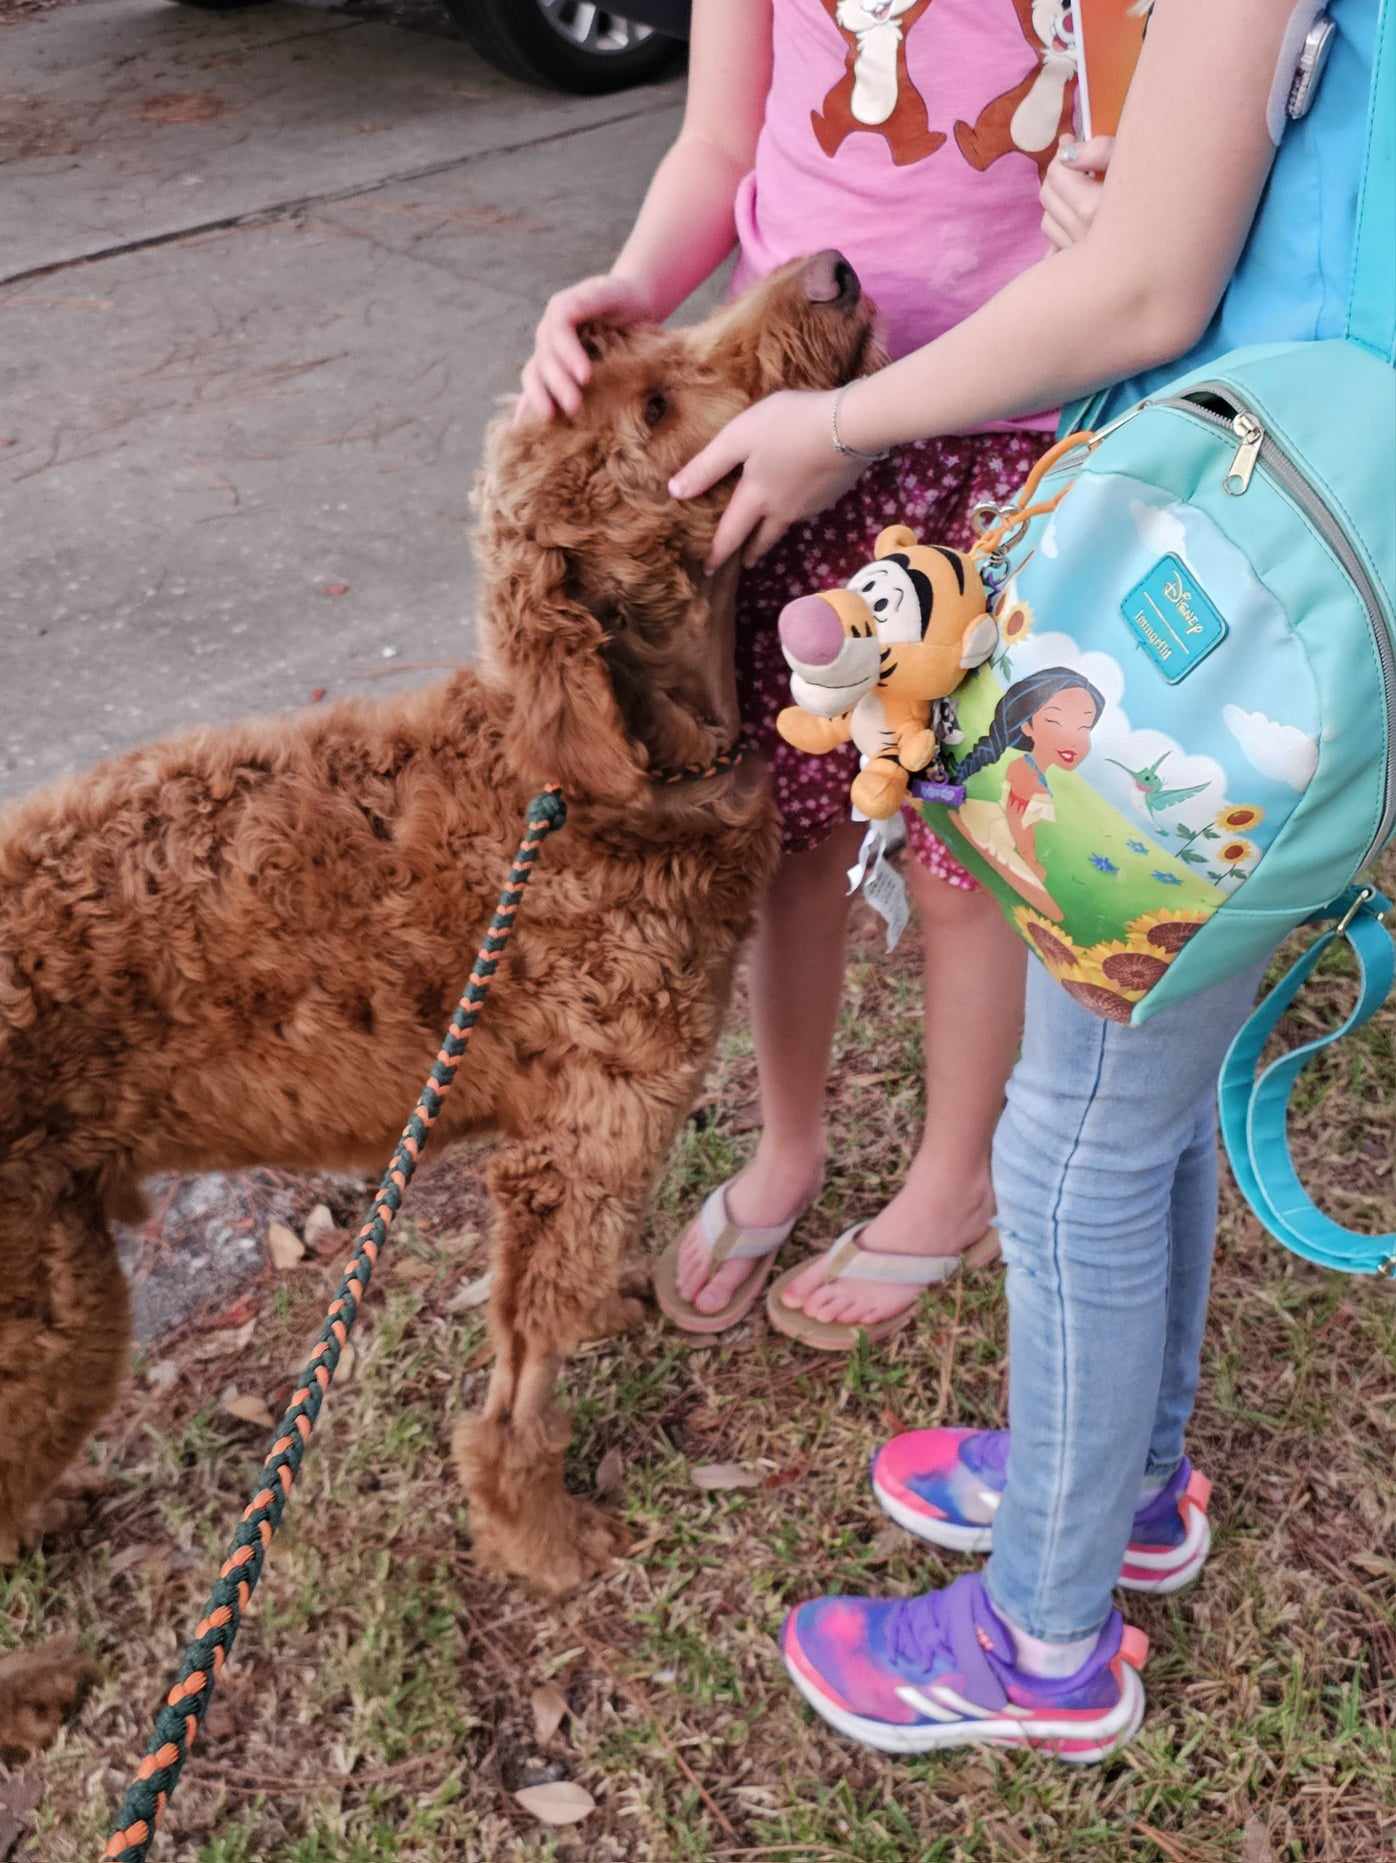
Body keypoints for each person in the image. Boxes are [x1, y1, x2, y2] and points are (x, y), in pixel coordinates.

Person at [664, 0, 1382, 1757]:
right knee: (1147, 1083)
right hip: (1320, 550)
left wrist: (841, 427)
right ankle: (1124, 1480)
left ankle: (1043, 1643)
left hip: (1251, 562)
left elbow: (1145, 292)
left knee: (1070, 1141)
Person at [519, 0, 1068, 1350]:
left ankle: (954, 1180)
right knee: (791, 835)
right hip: (783, 438)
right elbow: (719, 139)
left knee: (966, 853)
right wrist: (639, 287)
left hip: (1006, 431)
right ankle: (788, 1148)